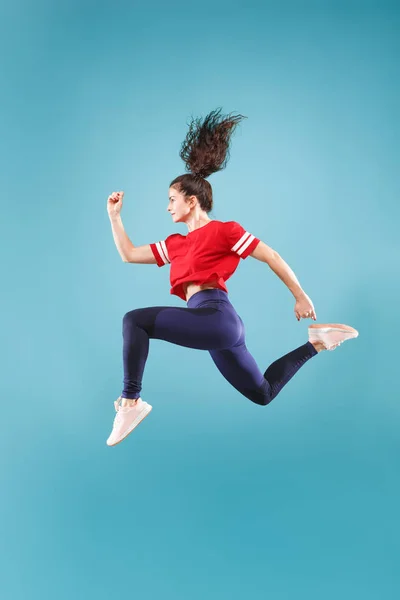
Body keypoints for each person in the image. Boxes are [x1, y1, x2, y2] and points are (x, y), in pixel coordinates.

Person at [106, 108, 358, 447]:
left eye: (171, 200)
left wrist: (300, 295)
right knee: (263, 393)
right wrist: (114, 217)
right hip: (213, 328)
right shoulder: (176, 244)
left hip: (217, 317)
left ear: (191, 201)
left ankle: (131, 401)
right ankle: (318, 342)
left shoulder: (225, 231)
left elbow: (272, 256)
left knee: (134, 321)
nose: (167, 207)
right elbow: (129, 254)